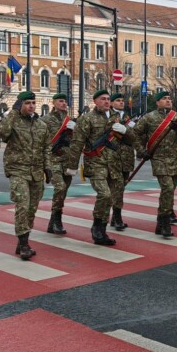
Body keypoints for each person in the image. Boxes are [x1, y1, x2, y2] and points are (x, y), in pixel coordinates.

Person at [67, 89, 133, 246]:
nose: (106, 101)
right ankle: (97, 227)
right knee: (104, 194)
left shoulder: (118, 118)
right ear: (95, 101)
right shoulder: (87, 119)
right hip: (96, 162)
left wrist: (126, 131)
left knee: (111, 197)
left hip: (115, 164)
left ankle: (102, 229)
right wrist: (72, 166)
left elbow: (132, 139)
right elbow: (77, 143)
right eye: (102, 99)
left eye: (108, 99)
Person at [0, 91, 52, 260]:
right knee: (22, 205)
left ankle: (23, 240)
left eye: (33, 103)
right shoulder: (13, 121)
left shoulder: (41, 125)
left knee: (31, 209)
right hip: (18, 170)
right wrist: (13, 113)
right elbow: (2, 132)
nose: (31, 106)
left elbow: (47, 148)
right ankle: (24, 245)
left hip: (36, 172)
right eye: (27, 103)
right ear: (20, 105)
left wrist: (47, 167)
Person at [135, 91, 177, 237]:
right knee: (167, 188)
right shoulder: (149, 118)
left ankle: (160, 222)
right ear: (157, 102)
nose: (168, 101)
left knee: (170, 191)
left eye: (169, 98)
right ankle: (166, 222)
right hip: (159, 159)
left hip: (176, 160)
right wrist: (142, 151)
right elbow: (135, 133)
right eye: (164, 99)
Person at [41, 93, 76, 234]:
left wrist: (74, 131)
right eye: (60, 101)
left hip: (67, 161)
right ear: (53, 102)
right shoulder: (45, 120)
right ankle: (57, 221)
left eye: (65, 101)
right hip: (53, 159)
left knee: (64, 191)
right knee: (60, 187)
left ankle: (53, 221)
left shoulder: (70, 120)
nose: (63, 103)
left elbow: (76, 141)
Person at [109, 92, 137, 231]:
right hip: (112, 157)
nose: (121, 102)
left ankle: (115, 217)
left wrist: (125, 130)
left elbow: (134, 135)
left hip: (126, 158)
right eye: (118, 100)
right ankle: (117, 217)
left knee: (121, 187)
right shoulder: (107, 116)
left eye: (122, 100)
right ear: (111, 102)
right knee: (117, 187)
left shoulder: (126, 117)